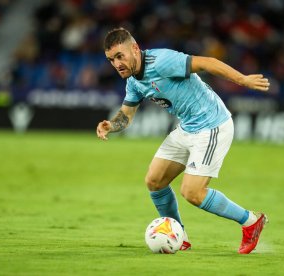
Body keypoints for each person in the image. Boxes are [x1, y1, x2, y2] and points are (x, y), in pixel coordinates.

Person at [96, 27, 270, 254]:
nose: (117, 63)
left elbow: (207, 62)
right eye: (111, 60)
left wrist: (243, 80)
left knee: (193, 192)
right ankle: (180, 236)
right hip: (187, 127)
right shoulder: (133, 81)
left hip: (212, 125)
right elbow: (126, 116)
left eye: (120, 56)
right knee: (155, 180)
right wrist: (112, 125)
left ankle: (250, 222)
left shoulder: (162, 61)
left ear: (135, 49)